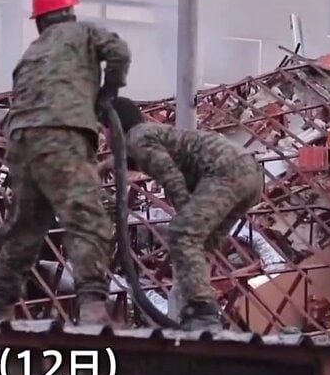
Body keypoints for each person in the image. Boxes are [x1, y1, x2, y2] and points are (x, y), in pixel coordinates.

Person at [0, 0, 131, 325]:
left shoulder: (30, 54)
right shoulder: (84, 33)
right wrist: (108, 91)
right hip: (63, 134)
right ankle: (92, 306)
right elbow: (119, 52)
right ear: (70, 13)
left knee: (24, 227)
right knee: (85, 217)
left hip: (21, 141)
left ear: (39, 21)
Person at [106, 96, 262, 330]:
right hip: (249, 175)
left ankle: (202, 314)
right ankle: (200, 313)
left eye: (103, 129)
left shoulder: (137, 137)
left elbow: (170, 176)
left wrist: (184, 215)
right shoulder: (146, 137)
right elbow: (132, 160)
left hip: (228, 171)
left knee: (183, 233)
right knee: (202, 245)